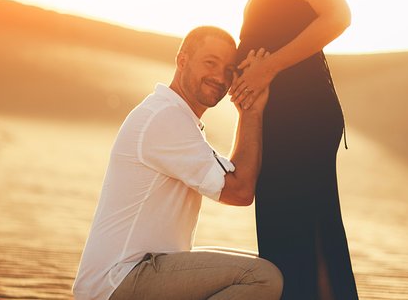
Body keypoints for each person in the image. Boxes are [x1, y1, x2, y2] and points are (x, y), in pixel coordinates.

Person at [72, 26, 283, 300]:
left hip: (140, 271)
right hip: (120, 278)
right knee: (261, 278)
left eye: (230, 70)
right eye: (210, 62)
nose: (220, 77)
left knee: (259, 266)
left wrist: (247, 111)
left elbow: (234, 177)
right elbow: (239, 191)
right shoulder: (165, 118)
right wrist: (252, 112)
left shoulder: (178, 119)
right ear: (182, 60)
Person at [230, 0, 359, 299]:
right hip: (293, 111)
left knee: (295, 233)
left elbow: (338, 15)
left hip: (297, 115)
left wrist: (268, 66)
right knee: (308, 230)